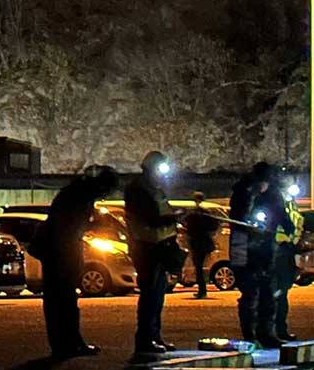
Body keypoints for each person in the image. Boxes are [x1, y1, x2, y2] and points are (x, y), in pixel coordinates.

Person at [32, 165, 119, 358]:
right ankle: (69, 343)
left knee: (59, 299)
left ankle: (64, 343)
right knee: (64, 299)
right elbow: (69, 227)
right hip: (61, 251)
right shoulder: (79, 196)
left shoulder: (74, 192)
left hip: (58, 250)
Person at [125, 150, 182, 355]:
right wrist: (173, 218)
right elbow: (148, 218)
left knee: (157, 296)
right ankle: (145, 340)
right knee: (150, 295)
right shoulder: (138, 190)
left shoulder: (153, 188)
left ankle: (154, 337)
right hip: (147, 247)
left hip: (159, 245)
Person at [229, 162, 282, 347]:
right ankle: (250, 334)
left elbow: (280, 216)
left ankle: (267, 332)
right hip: (245, 248)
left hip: (266, 248)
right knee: (250, 293)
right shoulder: (244, 192)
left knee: (268, 292)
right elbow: (238, 220)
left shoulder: (273, 194)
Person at [272, 175, 304, 341]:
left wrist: (294, 241)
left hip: (286, 250)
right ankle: (271, 330)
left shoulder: (291, 203)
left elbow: (299, 223)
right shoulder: (272, 201)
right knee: (272, 293)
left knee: (282, 292)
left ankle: (280, 329)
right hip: (273, 249)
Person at [182, 192, 218, 299]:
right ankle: (202, 289)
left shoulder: (195, 214)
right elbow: (214, 226)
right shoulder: (206, 213)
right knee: (199, 267)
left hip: (198, 243)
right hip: (204, 243)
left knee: (199, 267)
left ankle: (202, 290)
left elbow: (188, 227)